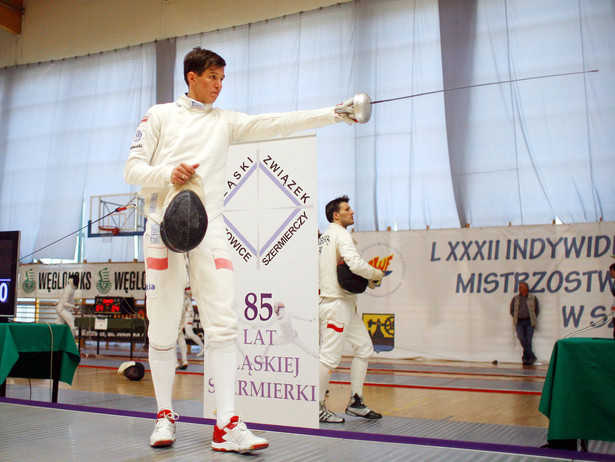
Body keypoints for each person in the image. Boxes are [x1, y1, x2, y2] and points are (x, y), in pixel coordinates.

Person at [124, 47, 359, 452]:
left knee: (224, 325)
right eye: (212, 77)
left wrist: (335, 113)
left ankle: (227, 424)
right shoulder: (160, 114)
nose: (218, 85)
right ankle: (164, 415)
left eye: (222, 79)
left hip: (210, 229)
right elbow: (131, 169)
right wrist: (167, 173)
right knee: (162, 329)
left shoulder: (225, 122)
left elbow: (277, 123)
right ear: (192, 77)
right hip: (162, 229)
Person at [317, 195, 384, 423]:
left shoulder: (323, 238)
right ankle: (316, 407)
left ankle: (356, 402)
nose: (352, 212)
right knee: (329, 357)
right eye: (347, 209)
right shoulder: (341, 234)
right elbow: (354, 264)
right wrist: (376, 274)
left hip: (341, 303)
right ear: (337, 215)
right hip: (336, 305)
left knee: (364, 348)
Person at [509, 281, 539, 365]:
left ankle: (526, 358)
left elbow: (537, 310)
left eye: (521, 287)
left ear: (526, 288)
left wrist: (532, 317)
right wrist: (516, 316)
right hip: (519, 322)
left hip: (529, 321)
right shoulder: (516, 298)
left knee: (528, 340)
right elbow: (512, 310)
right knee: (522, 339)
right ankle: (531, 356)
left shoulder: (533, 298)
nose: (519, 289)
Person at [176, 286, 205, 370]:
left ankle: (203, 348)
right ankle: (183, 360)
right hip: (183, 310)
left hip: (187, 312)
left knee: (187, 333)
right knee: (180, 334)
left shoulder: (185, 281)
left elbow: (189, 291)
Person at [55, 274, 79, 338]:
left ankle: (58, 342)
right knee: (73, 324)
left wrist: (73, 308)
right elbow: (64, 302)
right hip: (62, 309)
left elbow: (66, 300)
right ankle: (72, 342)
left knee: (59, 326)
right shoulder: (69, 289)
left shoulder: (71, 288)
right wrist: (74, 307)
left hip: (61, 308)